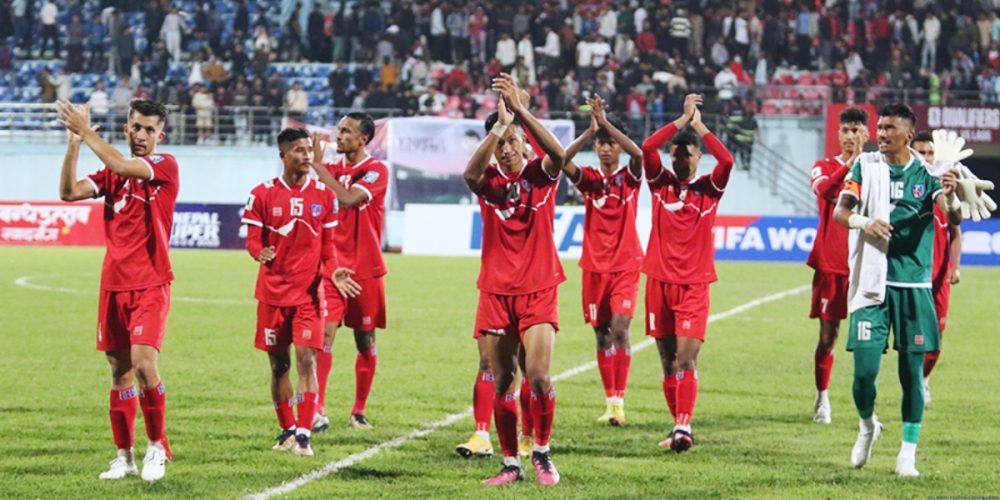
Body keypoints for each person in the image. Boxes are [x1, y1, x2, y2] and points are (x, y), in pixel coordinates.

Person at [833, 104, 962, 477]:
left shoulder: (927, 174)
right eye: (880, 126)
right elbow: (841, 212)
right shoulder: (865, 166)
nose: (882, 133)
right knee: (863, 374)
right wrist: (864, 222)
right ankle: (867, 425)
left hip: (912, 286)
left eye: (890, 128)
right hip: (872, 285)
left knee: (911, 374)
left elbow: (951, 217)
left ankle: (907, 452)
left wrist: (952, 196)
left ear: (908, 134)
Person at [56, 99, 178, 482]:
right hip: (113, 284)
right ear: (126, 129)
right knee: (119, 372)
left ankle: (156, 447)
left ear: (161, 135)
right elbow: (69, 192)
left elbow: (123, 164)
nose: (141, 135)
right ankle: (123, 456)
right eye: (136, 128)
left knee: (144, 365)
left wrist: (88, 131)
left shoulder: (164, 165)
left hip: (151, 283)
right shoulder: (111, 176)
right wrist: (74, 142)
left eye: (149, 130)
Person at [464, 73, 566, 486]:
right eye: (501, 143)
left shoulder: (540, 176)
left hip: (539, 289)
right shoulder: (488, 183)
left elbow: (558, 156)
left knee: (538, 376)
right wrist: (501, 126)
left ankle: (541, 452)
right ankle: (511, 463)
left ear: (525, 143)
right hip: (496, 292)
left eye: (513, 141)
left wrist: (520, 112)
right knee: (503, 378)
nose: (507, 149)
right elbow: (470, 175)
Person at [241, 127, 356, 457]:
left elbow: (328, 249)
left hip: (308, 295)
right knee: (279, 367)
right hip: (272, 296)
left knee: (307, 360)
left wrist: (334, 269)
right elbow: (252, 239)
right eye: (298, 150)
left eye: (309, 149)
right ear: (283, 155)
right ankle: (287, 429)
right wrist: (257, 252)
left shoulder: (324, 196)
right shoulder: (261, 194)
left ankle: (305, 434)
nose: (306, 155)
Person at [640, 93, 734, 452]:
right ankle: (679, 425)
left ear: (698, 158)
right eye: (676, 153)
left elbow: (727, 159)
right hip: (658, 283)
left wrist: (698, 126)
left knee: (686, 358)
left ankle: (683, 426)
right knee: (667, 361)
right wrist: (680, 121)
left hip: (694, 285)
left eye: (687, 153)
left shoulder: (710, 189)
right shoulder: (659, 183)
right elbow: (647, 147)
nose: (680, 158)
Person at [559, 96, 643, 425]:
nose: (605, 148)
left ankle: (619, 403)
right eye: (601, 144)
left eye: (610, 143)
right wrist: (588, 132)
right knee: (601, 334)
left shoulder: (630, 177)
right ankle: (609, 401)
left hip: (625, 264)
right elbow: (560, 161)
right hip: (594, 267)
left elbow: (638, 154)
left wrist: (606, 123)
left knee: (621, 329)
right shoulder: (591, 180)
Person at [310, 113, 388, 431]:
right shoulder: (331, 170)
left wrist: (318, 168)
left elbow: (348, 199)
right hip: (332, 266)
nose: (339, 136)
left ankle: (358, 411)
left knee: (364, 340)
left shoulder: (376, 170)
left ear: (363, 139)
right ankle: (317, 409)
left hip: (365, 270)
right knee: (324, 335)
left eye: (347, 131)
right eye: (339, 130)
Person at [806, 107, 869, 424]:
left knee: (867, 339)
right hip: (832, 264)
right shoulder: (823, 166)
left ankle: (865, 409)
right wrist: (850, 163)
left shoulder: (875, 170)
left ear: (866, 135)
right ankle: (822, 398)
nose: (850, 136)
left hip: (866, 265)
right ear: (838, 133)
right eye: (845, 130)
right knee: (829, 336)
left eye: (856, 130)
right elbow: (826, 191)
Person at [909, 132, 961, 405]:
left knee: (936, 338)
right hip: (914, 279)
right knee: (915, 338)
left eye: (930, 153)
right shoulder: (908, 191)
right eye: (921, 153)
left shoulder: (944, 195)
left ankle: (923, 379)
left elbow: (956, 233)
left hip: (939, 279)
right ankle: (914, 381)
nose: (926, 158)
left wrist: (955, 268)